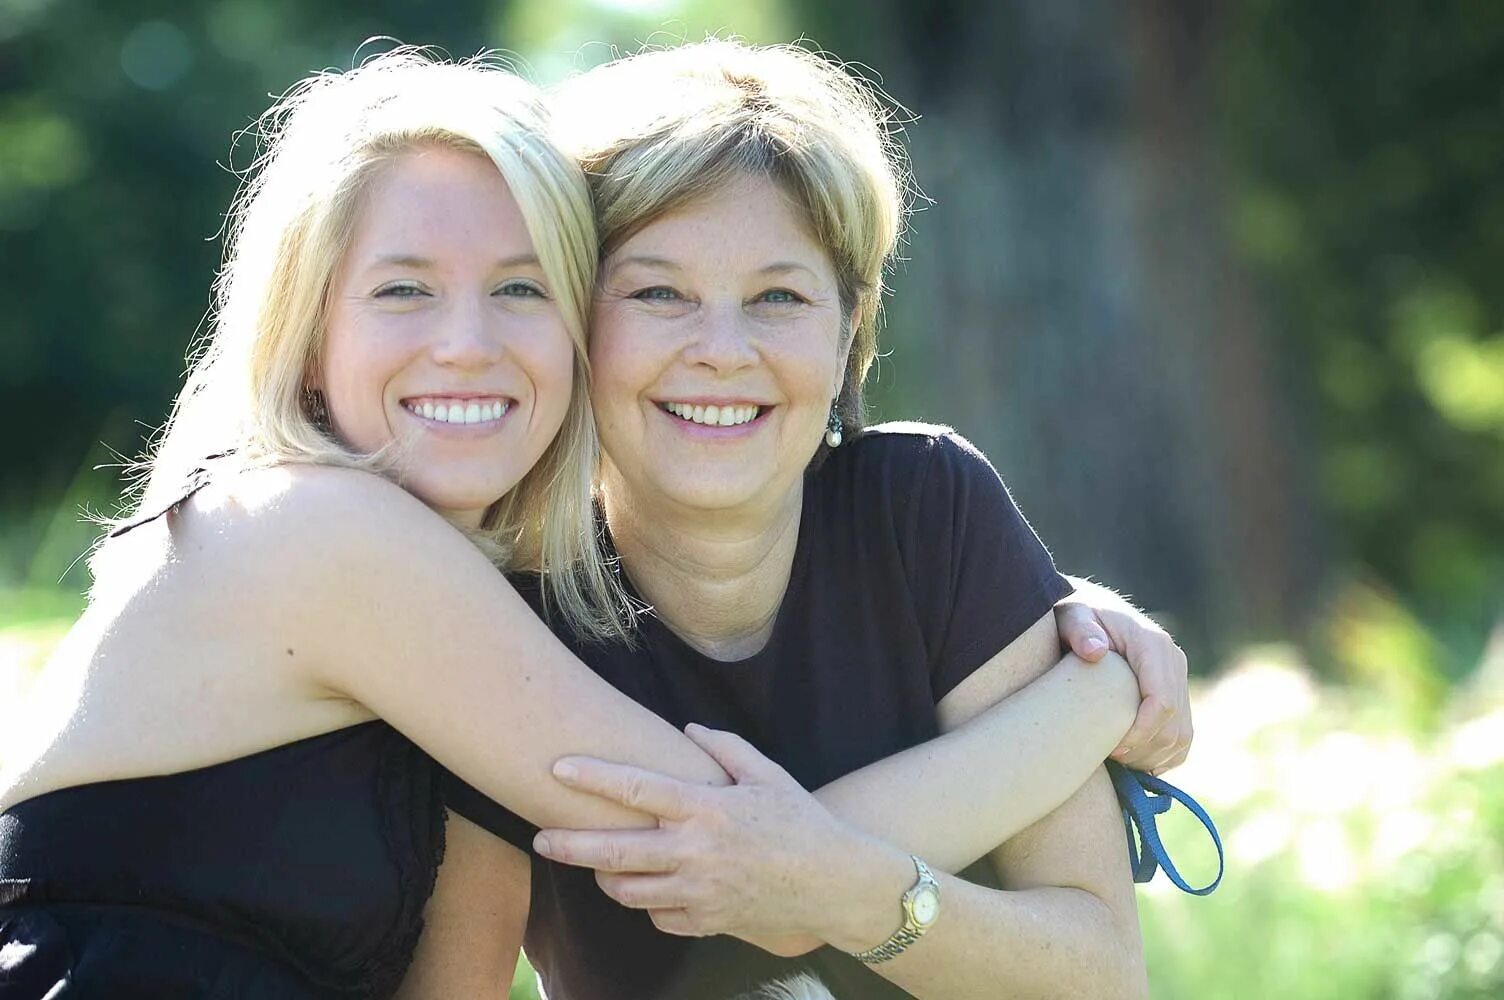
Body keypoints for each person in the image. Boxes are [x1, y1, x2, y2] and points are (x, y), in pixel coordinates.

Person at [0, 49, 1182, 1000]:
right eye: (403, 287)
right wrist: (1092, 698)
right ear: (306, 330)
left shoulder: (469, 596)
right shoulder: (321, 533)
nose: (468, 340)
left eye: (519, 288)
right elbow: (724, 851)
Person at [418, 38, 1177, 1000]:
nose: (722, 351)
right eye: (658, 293)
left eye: (778, 297)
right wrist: (1095, 701)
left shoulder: (927, 515)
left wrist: (849, 893)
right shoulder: (502, 612)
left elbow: (1104, 977)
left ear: (849, 328)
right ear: (573, 319)